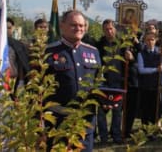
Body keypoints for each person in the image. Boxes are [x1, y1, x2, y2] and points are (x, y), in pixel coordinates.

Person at [45, 10, 101, 151]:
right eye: (74, 25)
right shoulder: (48, 52)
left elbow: (99, 82)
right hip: (58, 120)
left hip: (85, 121)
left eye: (82, 26)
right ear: (62, 26)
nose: (79, 29)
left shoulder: (93, 52)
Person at [96, 19, 124, 144]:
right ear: (103, 30)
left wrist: (130, 55)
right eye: (106, 29)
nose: (109, 31)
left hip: (118, 82)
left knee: (117, 111)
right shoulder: (99, 45)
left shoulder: (121, 44)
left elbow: (129, 61)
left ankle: (116, 135)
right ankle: (103, 136)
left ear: (115, 29)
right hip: (103, 82)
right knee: (102, 111)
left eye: (111, 28)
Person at [137, 30, 162, 140]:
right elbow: (141, 70)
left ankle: (153, 132)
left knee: (155, 110)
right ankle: (145, 132)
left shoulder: (160, 54)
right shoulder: (141, 54)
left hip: (156, 86)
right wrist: (155, 69)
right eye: (147, 40)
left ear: (155, 40)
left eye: (152, 39)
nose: (150, 42)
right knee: (145, 110)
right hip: (145, 86)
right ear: (144, 41)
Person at [7, 17, 30, 92]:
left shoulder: (18, 45)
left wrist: (21, 81)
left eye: (9, 28)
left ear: (13, 28)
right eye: (4, 28)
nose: (6, 30)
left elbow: (21, 63)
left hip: (13, 82)